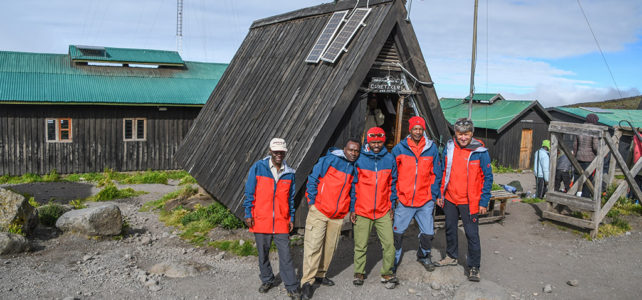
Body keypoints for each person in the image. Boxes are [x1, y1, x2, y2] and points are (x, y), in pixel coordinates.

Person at [300, 139, 361, 300]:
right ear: (344, 149)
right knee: (313, 247)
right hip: (319, 211)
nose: (353, 153)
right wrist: (312, 202)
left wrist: (350, 209)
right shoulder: (329, 160)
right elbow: (313, 179)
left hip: (338, 215)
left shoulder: (354, 167)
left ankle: (320, 274)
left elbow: (352, 191)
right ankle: (307, 282)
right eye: (351, 150)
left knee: (330, 248)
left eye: (356, 151)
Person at [435, 118, 493, 282]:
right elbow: (443, 170)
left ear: (472, 134)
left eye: (466, 134)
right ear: (455, 133)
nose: (463, 137)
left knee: (472, 234)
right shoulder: (449, 147)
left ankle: (474, 267)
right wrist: (440, 193)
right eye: (459, 134)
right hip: (450, 198)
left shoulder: (480, 152)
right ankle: (451, 256)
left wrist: (483, 201)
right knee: (450, 229)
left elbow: (488, 178)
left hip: (470, 201)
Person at [243, 138, 300, 299]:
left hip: (282, 220)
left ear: (285, 152)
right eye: (276, 151)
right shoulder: (258, 168)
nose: (279, 154)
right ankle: (267, 279)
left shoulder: (290, 173)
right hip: (261, 218)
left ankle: (292, 286)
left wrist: (291, 218)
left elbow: (290, 200)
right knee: (263, 253)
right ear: (270, 151)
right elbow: (249, 193)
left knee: (286, 255)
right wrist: (248, 213)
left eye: (281, 152)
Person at [390, 116, 442, 273]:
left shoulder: (431, 148)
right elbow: (393, 175)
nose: (418, 132)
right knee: (397, 233)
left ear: (423, 130)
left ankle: (424, 256)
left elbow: (436, 174)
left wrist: (432, 195)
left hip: (425, 200)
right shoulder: (399, 149)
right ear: (410, 130)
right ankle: (393, 259)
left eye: (420, 129)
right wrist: (396, 196)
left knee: (428, 233)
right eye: (415, 129)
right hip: (404, 201)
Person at [350, 127, 398, 288]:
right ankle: (359, 272)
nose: (376, 145)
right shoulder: (360, 159)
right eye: (373, 142)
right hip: (363, 210)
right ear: (368, 142)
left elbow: (393, 184)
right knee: (361, 244)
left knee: (389, 244)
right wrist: (353, 208)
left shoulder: (389, 159)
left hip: (383, 210)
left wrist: (392, 205)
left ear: (383, 140)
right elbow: (353, 186)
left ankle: (387, 273)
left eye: (379, 141)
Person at [574, 113, 600, 198]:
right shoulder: (593, 130)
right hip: (589, 159)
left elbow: (575, 145)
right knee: (588, 179)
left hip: (578, 157)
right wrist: (600, 153)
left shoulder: (580, 129)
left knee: (577, 178)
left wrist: (574, 156)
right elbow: (595, 146)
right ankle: (585, 197)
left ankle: (572, 195)